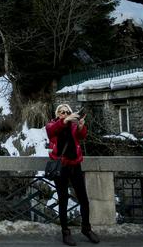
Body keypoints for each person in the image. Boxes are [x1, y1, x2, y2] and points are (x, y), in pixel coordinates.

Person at [46, 104, 100, 246]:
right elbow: (51, 131)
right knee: (63, 200)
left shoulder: (73, 126)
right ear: (58, 114)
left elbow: (82, 136)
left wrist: (81, 125)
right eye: (62, 112)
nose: (65, 114)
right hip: (61, 167)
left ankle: (86, 229)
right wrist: (64, 121)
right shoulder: (53, 124)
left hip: (75, 165)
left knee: (84, 199)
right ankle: (65, 232)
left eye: (67, 112)